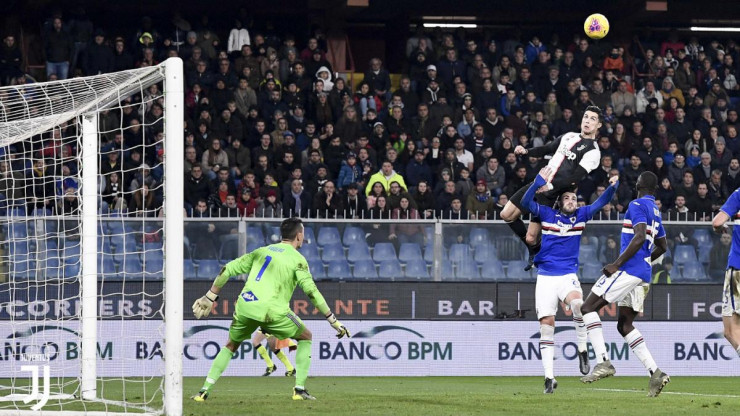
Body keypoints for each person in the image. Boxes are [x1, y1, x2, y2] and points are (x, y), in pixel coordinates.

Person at [191, 217, 350, 402]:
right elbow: (311, 292)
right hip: (272, 311)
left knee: (230, 345)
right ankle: (299, 390)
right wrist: (333, 320)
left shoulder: (261, 251)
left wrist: (210, 296)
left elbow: (227, 269)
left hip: (246, 306)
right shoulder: (298, 259)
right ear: (299, 236)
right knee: (306, 336)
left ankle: (203, 391)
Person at [522, 166, 618, 394]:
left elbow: (602, 202)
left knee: (578, 305)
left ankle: (583, 349)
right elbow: (525, 202)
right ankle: (549, 377)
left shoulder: (581, 215)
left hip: (567, 276)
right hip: (546, 277)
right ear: (559, 202)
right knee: (547, 326)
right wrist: (537, 182)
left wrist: (613, 187)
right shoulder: (547, 214)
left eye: (574, 198)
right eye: (567, 198)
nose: (571, 201)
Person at [579, 172, 670, 398]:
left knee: (587, 308)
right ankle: (655, 373)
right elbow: (663, 246)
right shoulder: (655, 210)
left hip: (628, 269)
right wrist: (646, 259)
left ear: (640, 184)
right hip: (642, 273)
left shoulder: (636, 204)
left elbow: (639, 237)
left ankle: (603, 362)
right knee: (624, 325)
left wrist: (617, 264)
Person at [501, 106, 603, 270]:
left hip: (553, 193)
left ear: (598, 125)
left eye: (593, 119)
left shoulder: (593, 152)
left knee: (531, 238)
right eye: (586, 116)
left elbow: (574, 179)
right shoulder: (569, 136)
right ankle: (534, 250)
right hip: (539, 183)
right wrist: (526, 151)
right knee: (506, 215)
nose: (587, 121)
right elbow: (547, 149)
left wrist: (550, 185)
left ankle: (540, 253)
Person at [711, 189, 740, 359]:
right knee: (729, 332)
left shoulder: (738, 194)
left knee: (731, 330)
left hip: (738, 269)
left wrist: (722, 227)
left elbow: (717, 222)